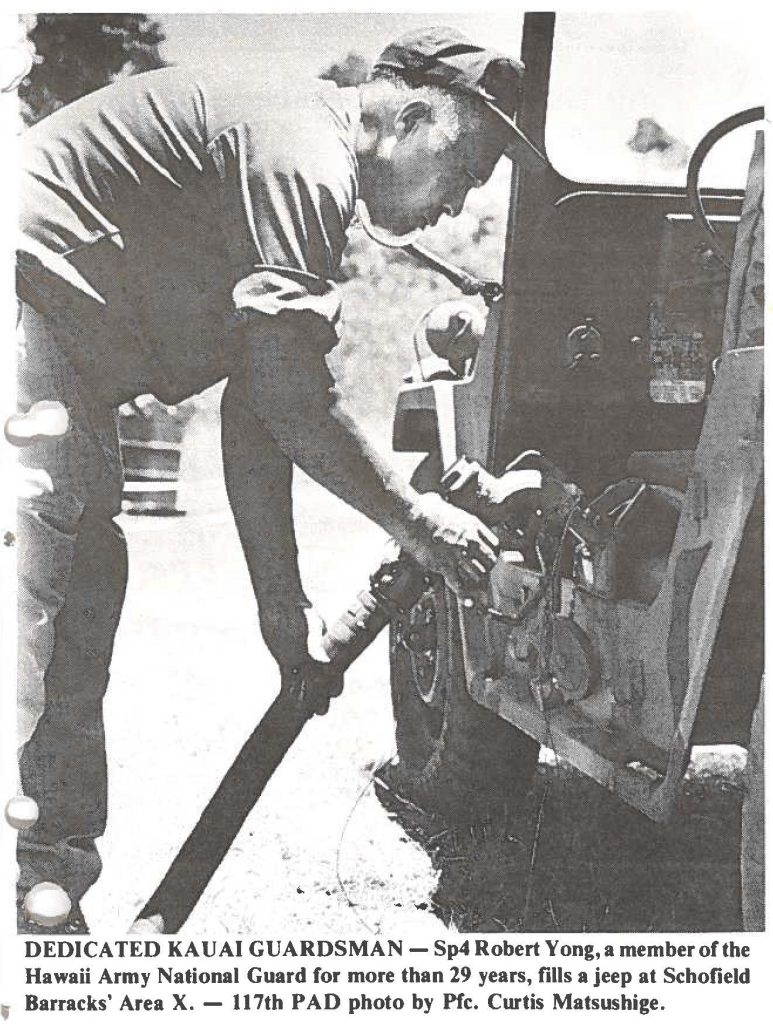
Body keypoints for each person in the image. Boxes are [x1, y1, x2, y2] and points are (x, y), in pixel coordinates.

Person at [14, 26, 547, 932]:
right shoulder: (301, 152)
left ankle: (45, 905)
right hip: (26, 317)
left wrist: (281, 608)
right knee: (41, 613)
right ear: (410, 112)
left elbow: (258, 410)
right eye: (467, 162)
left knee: (76, 597)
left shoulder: (301, 172)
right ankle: (39, 921)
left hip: (60, 352)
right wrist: (419, 521)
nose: (461, 202)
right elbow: (293, 395)